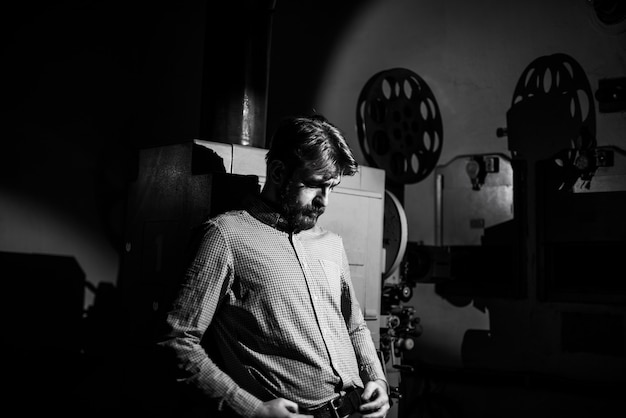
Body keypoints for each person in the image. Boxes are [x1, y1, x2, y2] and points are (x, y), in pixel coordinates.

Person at [156, 115, 390, 418]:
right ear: (279, 172)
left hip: (358, 410)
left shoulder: (331, 243)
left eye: (332, 187)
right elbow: (177, 340)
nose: (325, 202)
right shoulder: (225, 236)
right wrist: (254, 411)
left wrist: (378, 379)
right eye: (315, 186)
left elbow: (353, 324)